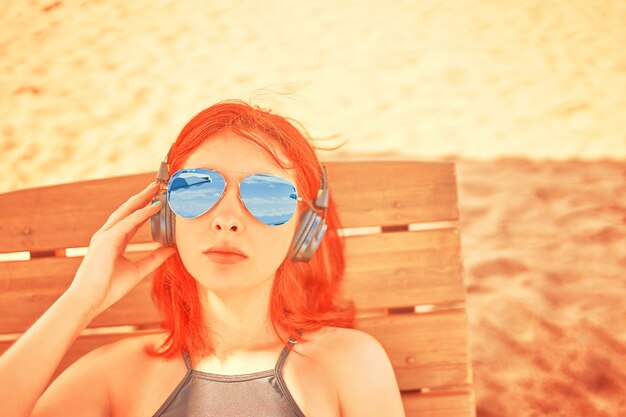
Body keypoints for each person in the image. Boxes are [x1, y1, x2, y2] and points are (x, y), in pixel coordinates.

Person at [0, 100, 406, 417]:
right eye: (197, 188)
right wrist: (80, 301)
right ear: (165, 215)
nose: (227, 219)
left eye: (266, 196)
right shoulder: (115, 375)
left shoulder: (348, 363)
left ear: (304, 229)